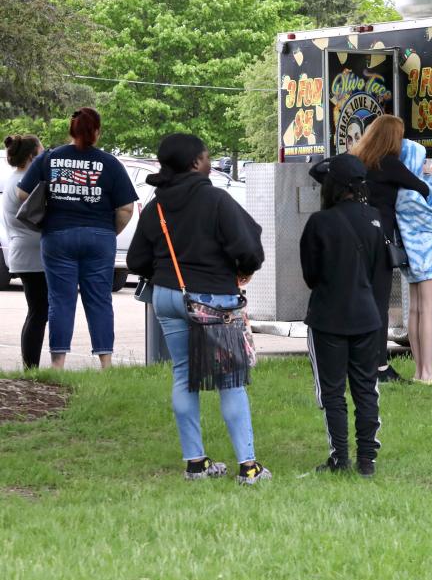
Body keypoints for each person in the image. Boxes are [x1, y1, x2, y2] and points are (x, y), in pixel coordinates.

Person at [127, 133, 270, 484]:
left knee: (182, 373)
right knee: (230, 380)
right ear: (195, 163)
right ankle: (248, 467)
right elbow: (250, 251)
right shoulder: (216, 200)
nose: (210, 162)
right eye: (207, 156)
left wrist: (166, 275)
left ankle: (196, 463)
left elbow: (135, 260)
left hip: (166, 296)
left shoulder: (157, 204)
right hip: (212, 300)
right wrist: (241, 269)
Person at [16, 108, 137, 370]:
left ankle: (58, 363)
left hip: (58, 236)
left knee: (60, 300)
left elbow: (22, 194)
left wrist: (48, 212)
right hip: (99, 237)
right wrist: (108, 232)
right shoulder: (111, 163)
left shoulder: (50, 158)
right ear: (97, 131)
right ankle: (106, 364)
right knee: (99, 300)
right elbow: (126, 208)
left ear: (71, 130)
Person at [300, 154, 388, 476]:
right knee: (366, 388)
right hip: (367, 316)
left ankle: (339, 458)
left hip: (328, 316)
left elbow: (311, 276)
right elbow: (379, 270)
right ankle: (368, 460)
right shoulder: (376, 219)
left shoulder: (319, 223)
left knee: (332, 391)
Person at [348, 115, 430, 383]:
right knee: (379, 303)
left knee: (357, 300)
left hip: (352, 236)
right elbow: (421, 188)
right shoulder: (389, 164)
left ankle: (356, 361)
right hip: (379, 239)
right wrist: (427, 175)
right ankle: (380, 367)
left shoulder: (357, 160)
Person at [394, 137, 432, 383]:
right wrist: (430, 180)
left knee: (415, 311)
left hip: (411, 256)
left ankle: (419, 369)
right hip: (426, 253)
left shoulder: (398, 191)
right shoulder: (413, 192)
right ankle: (426, 371)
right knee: (425, 311)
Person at [4, 135, 46, 368]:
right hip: (32, 255)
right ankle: (31, 367)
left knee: (37, 312)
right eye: (41, 153)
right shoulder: (25, 182)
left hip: (24, 252)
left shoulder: (15, 179)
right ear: (32, 156)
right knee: (38, 313)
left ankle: (31, 366)